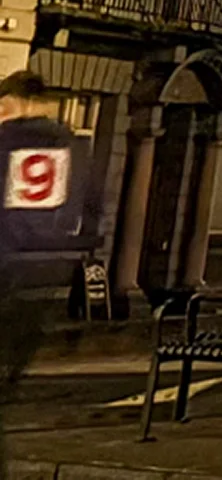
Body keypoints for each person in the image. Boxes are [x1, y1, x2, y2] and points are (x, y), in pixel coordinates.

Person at [0, 73, 84, 471]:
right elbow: (89, 205)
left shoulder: (4, 142)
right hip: (46, 272)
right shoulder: (72, 145)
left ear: (8, 102)